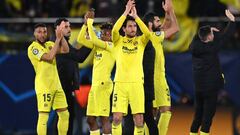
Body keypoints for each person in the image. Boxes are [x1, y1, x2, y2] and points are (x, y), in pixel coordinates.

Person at [189, 9, 235, 135]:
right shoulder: (212, 48)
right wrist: (232, 21)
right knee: (207, 118)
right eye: (211, 34)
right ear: (210, 37)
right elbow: (226, 36)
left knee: (197, 116)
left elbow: (197, 37)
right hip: (210, 89)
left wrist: (207, 29)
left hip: (198, 88)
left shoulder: (194, 47)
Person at [110, 0, 151, 134]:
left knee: (139, 120)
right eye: (130, 26)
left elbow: (148, 34)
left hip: (137, 84)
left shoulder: (140, 41)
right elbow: (114, 30)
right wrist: (126, 12)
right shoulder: (118, 40)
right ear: (124, 29)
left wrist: (136, 17)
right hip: (120, 84)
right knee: (116, 118)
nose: (133, 28)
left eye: (134, 26)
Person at [142, 0, 179, 135]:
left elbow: (166, 25)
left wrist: (166, 12)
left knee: (152, 111)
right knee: (166, 110)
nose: (161, 23)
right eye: (157, 21)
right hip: (158, 79)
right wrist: (172, 11)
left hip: (149, 79)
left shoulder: (149, 36)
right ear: (150, 24)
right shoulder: (155, 36)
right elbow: (175, 28)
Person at [27, 22, 70, 135]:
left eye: (44, 32)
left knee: (65, 114)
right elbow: (50, 57)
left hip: (56, 85)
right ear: (34, 34)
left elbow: (66, 50)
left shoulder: (50, 44)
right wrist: (57, 40)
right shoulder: (33, 48)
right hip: (44, 86)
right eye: (39, 32)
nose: (42, 34)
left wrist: (61, 37)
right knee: (44, 116)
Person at [77, 11, 115, 135]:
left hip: (104, 85)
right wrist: (85, 24)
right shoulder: (99, 45)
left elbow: (93, 37)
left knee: (104, 118)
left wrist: (90, 21)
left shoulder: (111, 45)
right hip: (95, 85)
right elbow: (80, 39)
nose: (105, 34)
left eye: (108, 32)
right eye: (103, 32)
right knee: (90, 119)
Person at [54, 18, 92, 135]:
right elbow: (80, 56)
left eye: (69, 26)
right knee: (64, 119)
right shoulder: (59, 43)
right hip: (62, 88)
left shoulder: (64, 42)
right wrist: (92, 42)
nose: (69, 29)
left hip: (66, 87)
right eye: (65, 27)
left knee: (67, 118)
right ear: (57, 29)